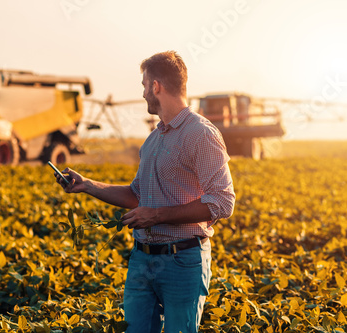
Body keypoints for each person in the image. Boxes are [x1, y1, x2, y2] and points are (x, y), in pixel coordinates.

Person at [53, 50, 235, 333]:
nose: (142, 94)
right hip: (142, 259)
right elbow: (136, 196)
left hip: (182, 260)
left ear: (155, 86)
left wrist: (157, 216)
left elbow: (222, 202)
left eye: (143, 86)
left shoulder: (201, 134)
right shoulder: (153, 139)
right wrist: (87, 185)